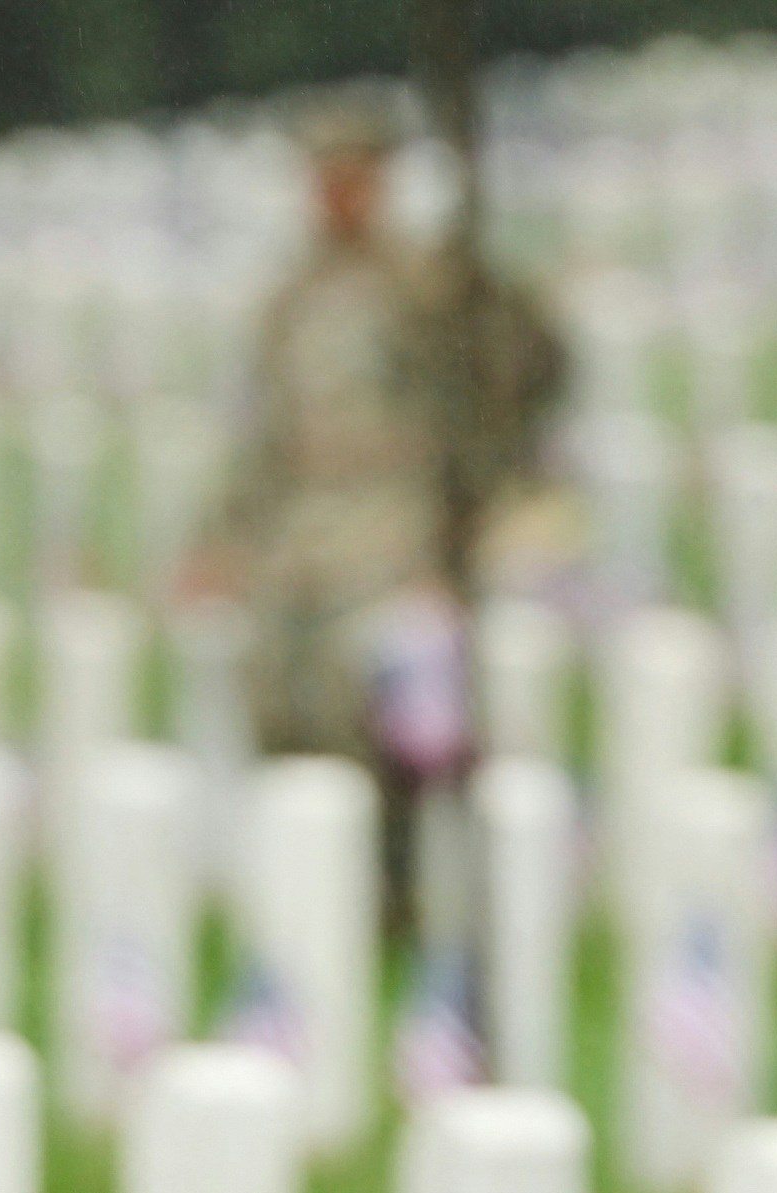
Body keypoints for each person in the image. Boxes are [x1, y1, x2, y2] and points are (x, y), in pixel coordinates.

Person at [188, 95, 565, 823]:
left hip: (396, 517)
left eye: (350, 177)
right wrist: (222, 535)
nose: (333, 195)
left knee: (361, 688)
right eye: (322, 177)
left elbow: (515, 374)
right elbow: (263, 433)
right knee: (269, 686)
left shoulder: (423, 287)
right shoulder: (291, 299)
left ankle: (390, 871)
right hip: (299, 525)